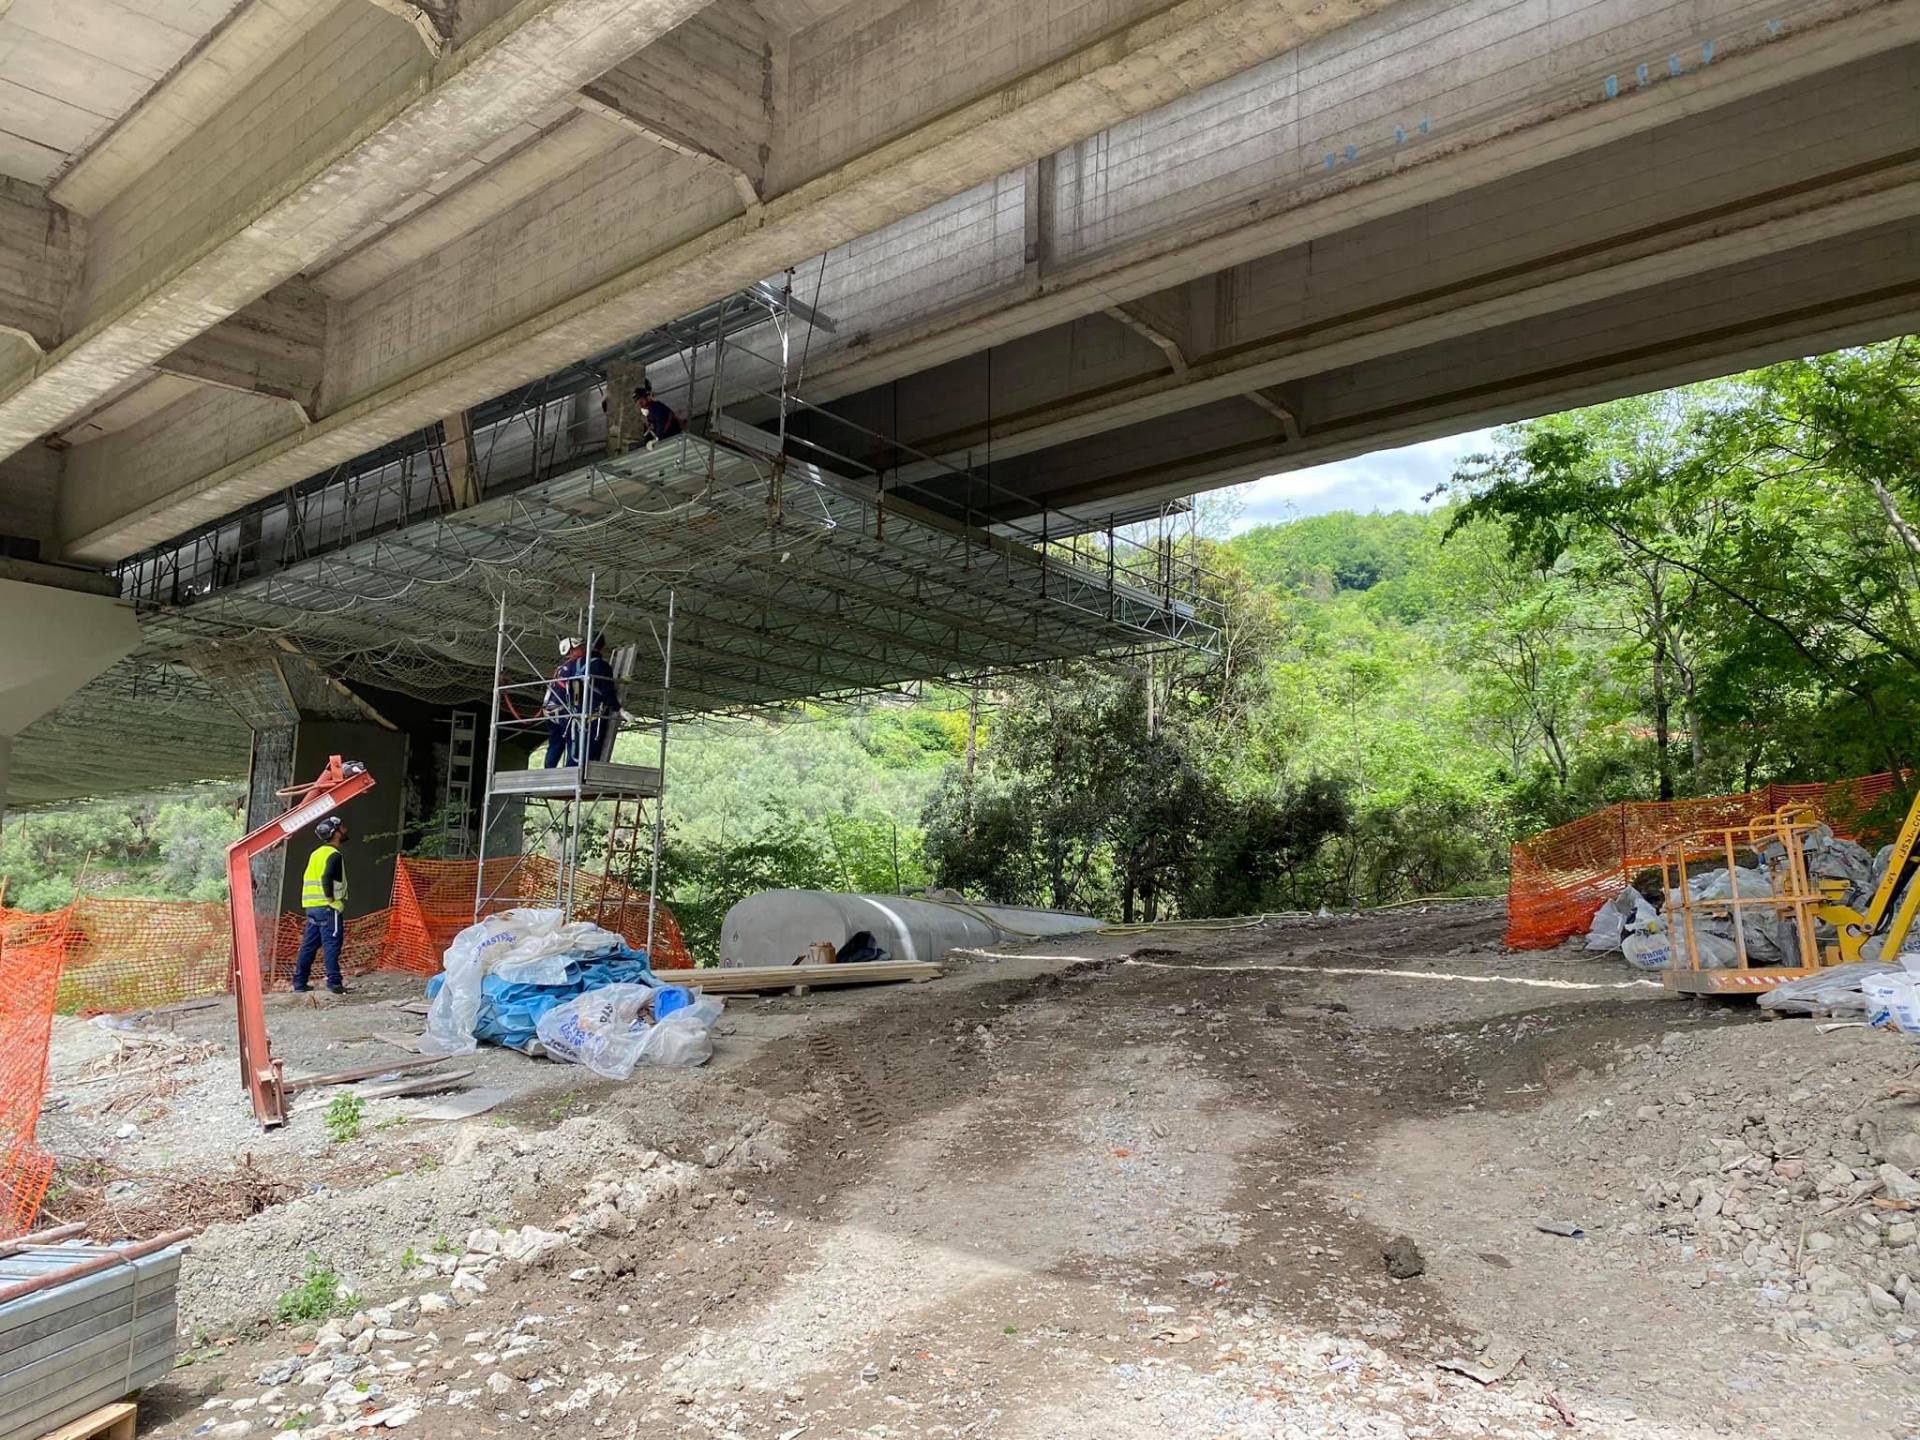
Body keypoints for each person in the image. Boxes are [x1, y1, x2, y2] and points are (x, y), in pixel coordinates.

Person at [291, 816, 350, 995]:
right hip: (327, 908)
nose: (345, 830)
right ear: (335, 833)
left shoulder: (316, 853)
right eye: (342, 828)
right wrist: (333, 901)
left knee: (309, 946)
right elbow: (326, 878)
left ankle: (299, 983)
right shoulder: (334, 854)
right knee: (332, 945)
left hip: (312, 908)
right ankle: (335, 983)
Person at [565, 633, 622, 764]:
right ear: (602, 647)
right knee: (590, 754)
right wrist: (618, 708)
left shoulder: (573, 665)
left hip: (575, 717)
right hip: (594, 718)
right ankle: (582, 778)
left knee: (574, 751)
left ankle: (570, 776)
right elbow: (608, 693)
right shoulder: (601, 666)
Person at [542, 636, 583, 767]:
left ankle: (548, 772)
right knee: (573, 739)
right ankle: (570, 771)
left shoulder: (560, 668)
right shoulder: (575, 665)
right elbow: (576, 688)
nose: (583, 650)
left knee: (555, 744)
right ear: (571, 651)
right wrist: (577, 708)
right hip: (563, 711)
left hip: (550, 710)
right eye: (579, 648)